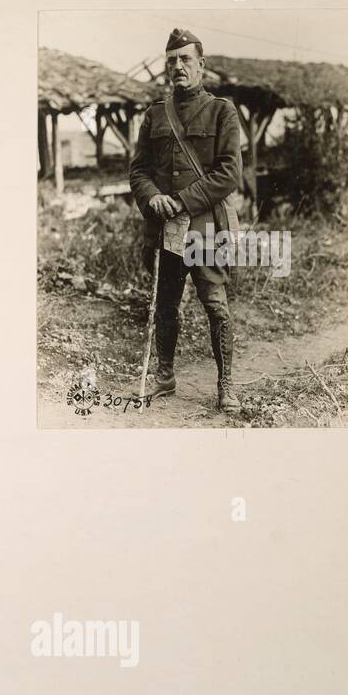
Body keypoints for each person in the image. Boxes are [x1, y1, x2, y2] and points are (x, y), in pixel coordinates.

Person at [129, 27, 244, 413]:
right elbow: (139, 170)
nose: (178, 67)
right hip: (163, 228)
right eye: (172, 61)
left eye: (185, 60)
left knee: (215, 304)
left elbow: (229, 173)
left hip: (205, 228)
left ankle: (226, 384)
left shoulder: (222, 111)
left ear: (201, 65)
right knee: (165, 305)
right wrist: (153, 197)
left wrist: (180, 201)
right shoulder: (154, 115)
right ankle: (164, 376)